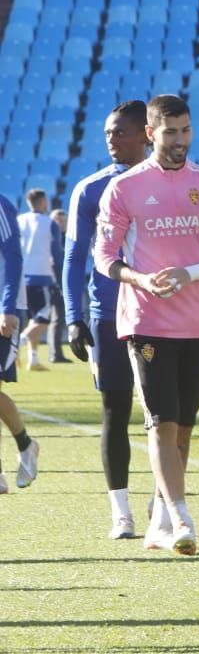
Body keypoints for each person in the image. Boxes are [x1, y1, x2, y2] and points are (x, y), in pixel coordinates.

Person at [94, 94, 199, 555]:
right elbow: (104, 257)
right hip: (145, 319)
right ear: (151, 134)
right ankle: (181, 514)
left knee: (183, 429)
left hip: (197, 321)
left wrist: (189, 274)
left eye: (186, 131)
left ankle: (160, 518)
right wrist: (140, 279)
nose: (180, 141)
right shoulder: (124, 188)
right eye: (171, 132)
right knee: (161, 422)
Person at [63, 100, 150, 537]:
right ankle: (121, 511)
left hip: (160, 315)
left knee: (164, 413)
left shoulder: (169, 186)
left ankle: (165, 501)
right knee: (115, 411)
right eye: (107, 132)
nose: (110, 139)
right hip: (108, 316)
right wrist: (74, 316)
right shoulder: (90, 189)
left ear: (145, 133)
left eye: (118, 131)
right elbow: (76, 256)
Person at [0, 191, 39, 495]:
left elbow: (13, 256)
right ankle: (25, 445)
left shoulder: (1, 205)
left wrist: (7, 307)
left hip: (5, 309)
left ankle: (26, 446)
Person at [16, 189, 61, 370]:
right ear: (43, 202)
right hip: (42, 277)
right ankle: (20, 340)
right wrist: (58, 278)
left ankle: (33, 359)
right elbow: (56, 254)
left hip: (21, 278)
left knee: (33, 319)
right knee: (43, 319)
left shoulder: (18, 221)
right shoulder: (50, 223)